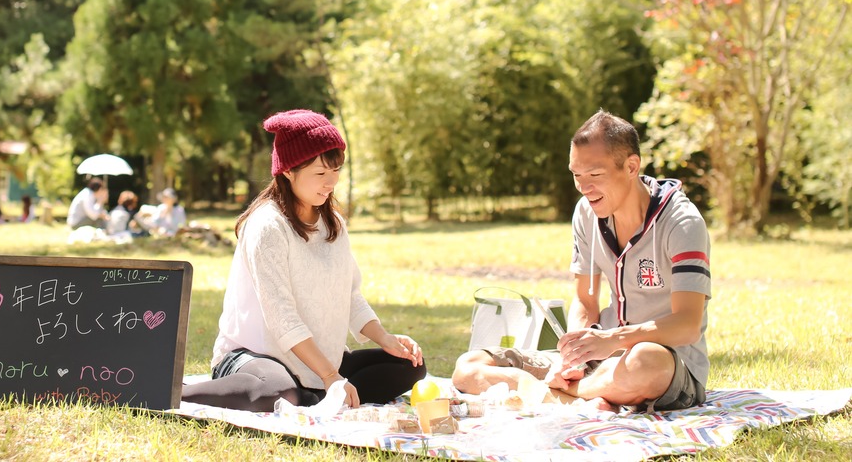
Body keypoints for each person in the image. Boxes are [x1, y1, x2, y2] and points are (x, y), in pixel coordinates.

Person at [452, 110, 711, 412]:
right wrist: (573, 358)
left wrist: (612, 339)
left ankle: (558, 396)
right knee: (469, 367)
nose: (585, 188)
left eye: (595, 175)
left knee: (645, 362)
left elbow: (687, 325)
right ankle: (576, 395)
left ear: (631, 166)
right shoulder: (586, 213)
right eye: (577, 175)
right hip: (599, 361)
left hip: (667, 363)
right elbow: (586, 301)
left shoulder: (682, 223)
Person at [182, 109, 426, 411]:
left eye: (336, 170)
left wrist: (385, 338)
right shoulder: (267, 226)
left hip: (317, 360)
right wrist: (330, 375)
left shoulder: (334, 223)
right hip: (257, 357)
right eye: (320, 174)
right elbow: (281, 316)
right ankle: (177, 392)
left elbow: (350, 296)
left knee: (410, 366)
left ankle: (314, 395)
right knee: (277, 392)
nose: (331, 182)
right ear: (288, 171)